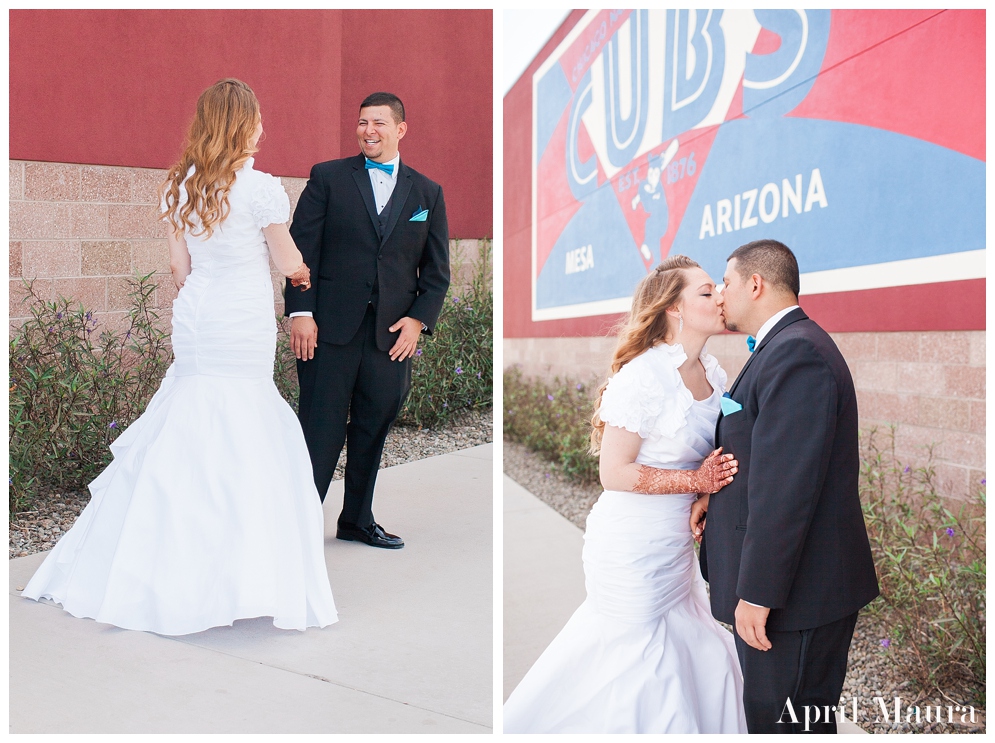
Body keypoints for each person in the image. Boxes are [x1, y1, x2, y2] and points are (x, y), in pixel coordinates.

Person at [21, 79, 338, 635]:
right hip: (239, 317)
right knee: (243, 419)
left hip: (198, 316)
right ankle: (235, 569)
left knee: (189, 412)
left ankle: (164, 556)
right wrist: (305, 273)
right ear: (242, 124)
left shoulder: (180, 186)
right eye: (258, 118)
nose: (264, 127)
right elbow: (288, 262)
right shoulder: (261, 188)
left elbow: (179, 270)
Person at [504, 255, 748, 733]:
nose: (719, 296)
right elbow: (613, 472)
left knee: (691, 648)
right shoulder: (644, 374)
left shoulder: (712, 373)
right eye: (705, 292)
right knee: (634, 666)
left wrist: (704, 496)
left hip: (675, 548)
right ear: (673, 309)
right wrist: (695, 483)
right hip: (631, 546)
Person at [695, 239, 879, 733]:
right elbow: (764, 459)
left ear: (755, 284)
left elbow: (787, 490)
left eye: (726, 284)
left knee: (783, 726)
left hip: (794, 599)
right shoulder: (783, 349)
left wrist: (757, 593)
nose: (720, 297)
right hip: (790, 594)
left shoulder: (798, 354)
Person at [285, 92, 450, 549]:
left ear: (400, 129)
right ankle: (297, 527)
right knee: (319, 430)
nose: (368, 131)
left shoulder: (427, 193)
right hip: (328, 333)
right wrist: (301, 312)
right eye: (361, 122)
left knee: (373, 428)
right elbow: (301, 254)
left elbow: (436, 274)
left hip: (391, 338)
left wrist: (418, 321)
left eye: (378, 122)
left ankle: (357, 519)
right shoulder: (328, 177)